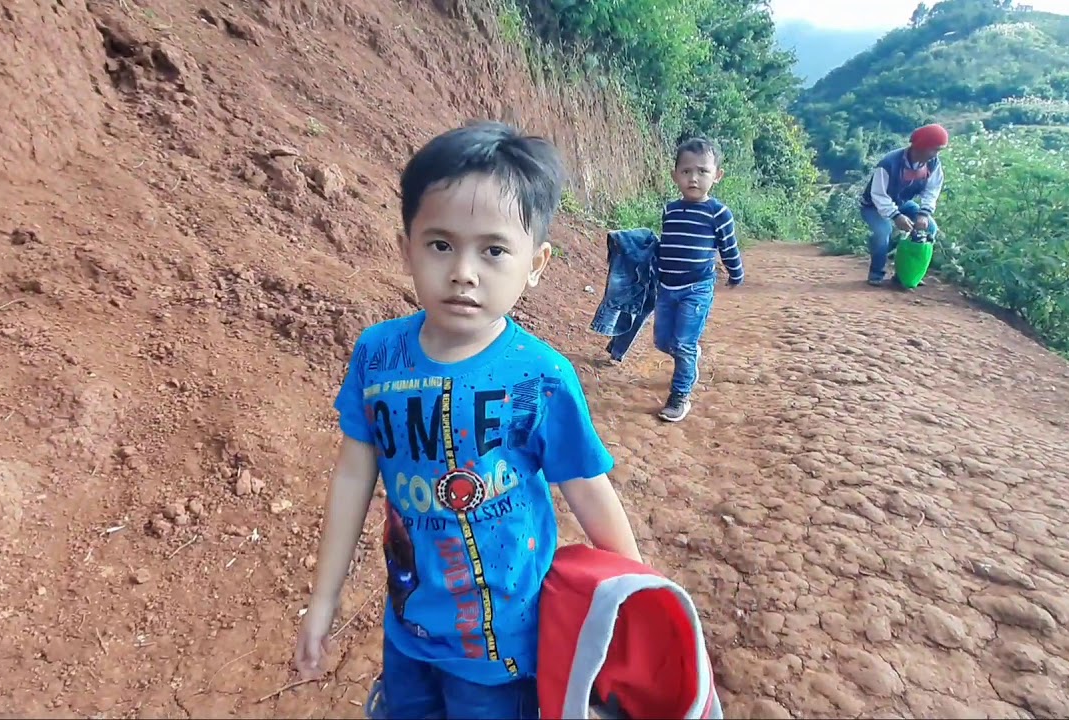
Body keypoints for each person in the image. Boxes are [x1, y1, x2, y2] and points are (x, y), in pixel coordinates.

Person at [293, 120, 642, 720]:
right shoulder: (377, 356)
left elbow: (588, 490)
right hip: (409, 626)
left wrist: (638, 602)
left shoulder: (540, 375)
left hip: (505, 646)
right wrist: (323, 600)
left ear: (536, 263)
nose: (464, 271)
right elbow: (353, 476)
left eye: (494, 251)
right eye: (440, 244)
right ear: (406, 247)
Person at [654, 137, 743, 423]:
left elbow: (729, 247)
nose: (693, 178)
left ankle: (680, 395)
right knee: (663, 341)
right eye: (686, 171)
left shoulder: (719, 213)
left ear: (717, 176)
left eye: (702, 171)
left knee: (682, 344)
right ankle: (689, 357)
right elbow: (667, 246)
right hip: (666, 287)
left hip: (697, 288)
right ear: (675, 175)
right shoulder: (670, 210)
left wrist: (736, 272)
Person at [859, 123, 949, 286]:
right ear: (921, 146)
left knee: (930, 228)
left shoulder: (933, 164)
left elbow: (932, 189)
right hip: (873, 205)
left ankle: (907, 273)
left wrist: (924, 213)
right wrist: (896, 216)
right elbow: (878, 194)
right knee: (882, 233)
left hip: (902, 202)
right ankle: (876, 274)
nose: (935, 155)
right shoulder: (889, 164)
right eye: (934, 149)